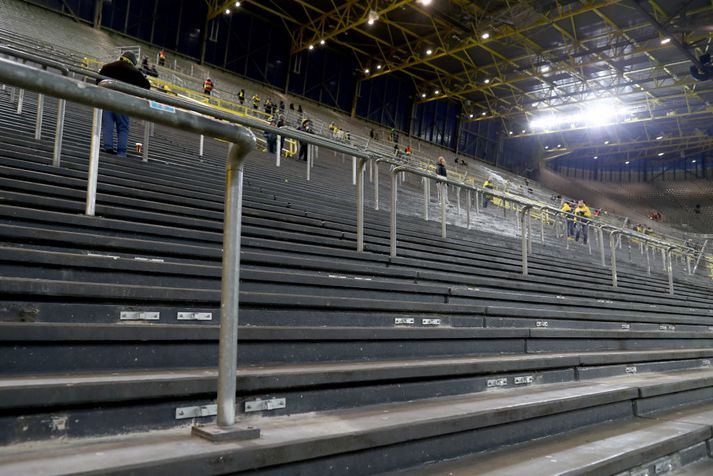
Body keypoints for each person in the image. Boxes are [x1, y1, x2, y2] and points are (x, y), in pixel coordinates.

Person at [97, 51, 151, 157]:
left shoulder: (107, 67)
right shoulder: (135, 72)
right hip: (123, 102)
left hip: (107, 99)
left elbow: (98, 82)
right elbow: (147, 86)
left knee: (107, 125)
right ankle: (121, 152)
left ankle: (108, 148)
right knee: (122, 127)